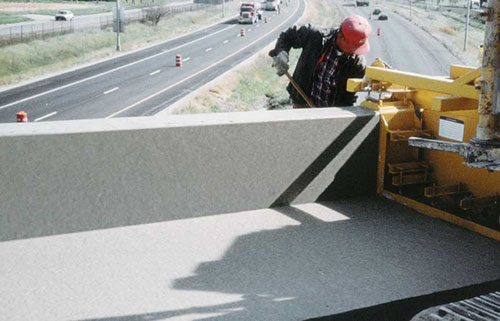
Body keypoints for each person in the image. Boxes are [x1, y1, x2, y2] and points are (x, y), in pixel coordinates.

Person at [269, 15, 372, 108]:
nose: (355, 52)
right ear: (340, 37)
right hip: (301, 104)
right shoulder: (315, 37)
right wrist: (281, 52)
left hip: (331, 115)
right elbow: (287, 36)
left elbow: (348, 99)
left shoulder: (357, 65)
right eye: (352, 47)